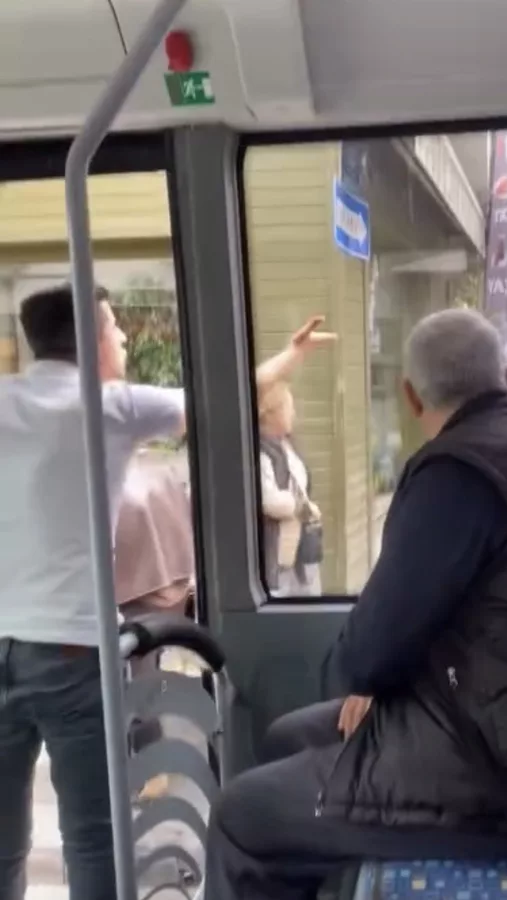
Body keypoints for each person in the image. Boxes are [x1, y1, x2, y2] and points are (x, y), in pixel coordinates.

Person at [203, 308, 507, 900]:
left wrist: (370, 680)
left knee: (240, 817)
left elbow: (370, 649)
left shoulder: (455, 473)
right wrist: (378, 681)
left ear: (409, 395)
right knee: (289, 736)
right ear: (504, 377)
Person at [0, 279, 333, 900]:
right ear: (92, 339)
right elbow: (221, 397)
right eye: (115, 328)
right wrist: (292, 356)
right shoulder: (111, 406)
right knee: (93, 838)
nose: (125, 339)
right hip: (71, 647)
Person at [115, 450, 196, 799]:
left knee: (136, 684)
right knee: (143, 678)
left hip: (134, 593)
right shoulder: (155, 467)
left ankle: (153, 768)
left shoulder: (118, 477)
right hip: (166, 586)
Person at [259, 381, 322, 597]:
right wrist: (299, 505)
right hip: (279, 559)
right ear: (271, 413)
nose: (293, 414)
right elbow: (268, 500)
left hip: (302, 551)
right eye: (289, 408)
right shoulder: (260, 451)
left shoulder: (287, 445)